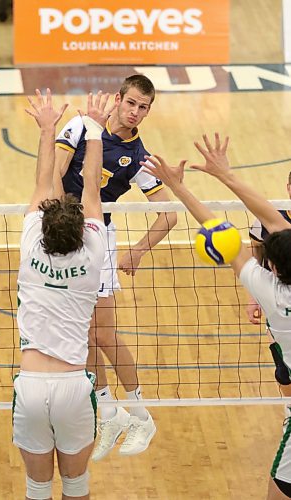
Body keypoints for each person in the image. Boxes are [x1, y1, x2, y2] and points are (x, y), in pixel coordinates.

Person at [141, 133, 291, 500]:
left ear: (273, 266)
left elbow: (221, 233)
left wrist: (178, 186)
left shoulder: (269, 293)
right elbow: (273, 219)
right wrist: (228, 176)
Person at [55, 75, 177, 460]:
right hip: (63, 236)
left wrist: (139, 250)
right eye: (132, 103)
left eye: (144, 107)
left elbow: (169, 215)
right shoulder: (80, 125)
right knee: (84, 337)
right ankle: (110, 412)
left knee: (104, 335)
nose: (136, 112)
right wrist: (58, 227)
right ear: (118, 99)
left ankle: (141, 415)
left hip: (98, 240)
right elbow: (53, 176)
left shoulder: (138, 158)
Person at [13, 89, 112, 500]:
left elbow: (42, 181)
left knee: (37, 488)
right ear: (82, 231)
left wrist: (49, 128)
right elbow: (91, 186)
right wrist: (95, 127)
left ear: (44, 227)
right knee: (76, 486)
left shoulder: (31, 247)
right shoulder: (92, 257)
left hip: (32, 386)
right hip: (74, 386)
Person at [248, 172, 291, 400]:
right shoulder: (269, 218)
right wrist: (254, 296)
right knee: (283, 369)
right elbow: (256, 251)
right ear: (288, 187)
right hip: (276, 297)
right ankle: (289, 410)